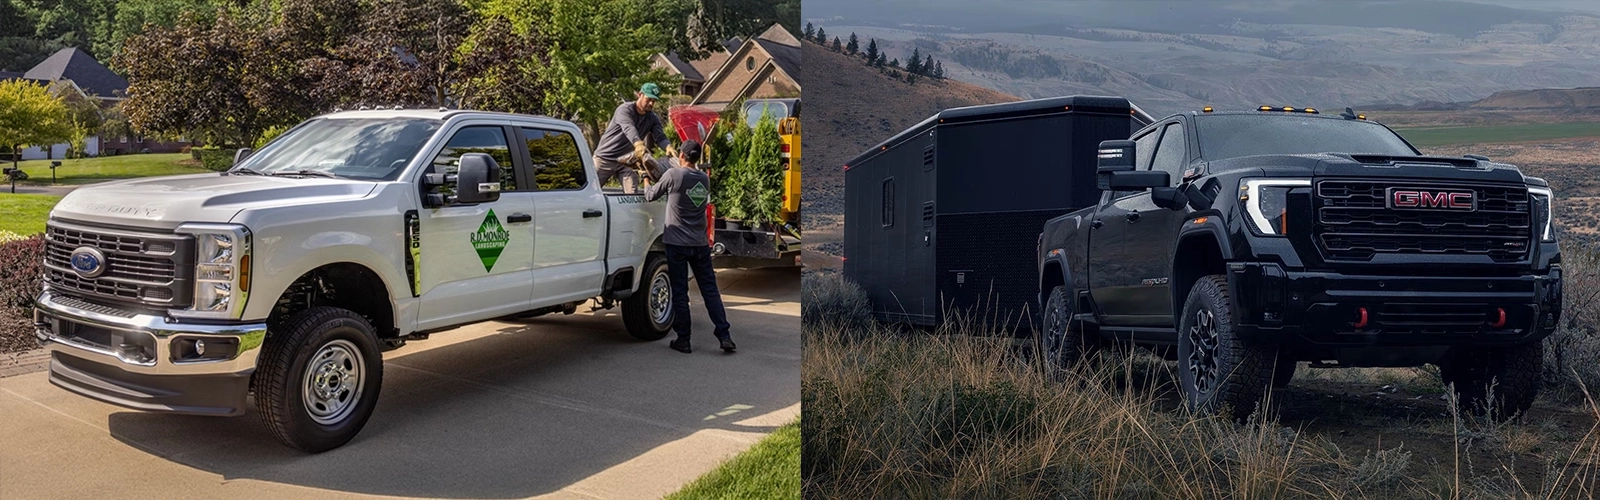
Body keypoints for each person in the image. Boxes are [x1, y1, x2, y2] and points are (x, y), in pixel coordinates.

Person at [643, 140, 734, 354]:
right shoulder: (704, 179)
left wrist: (646, 178)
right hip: (699, 244)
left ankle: (684, 339)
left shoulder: (675, 175)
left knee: (680, 291)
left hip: (676, 244)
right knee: (710, 291)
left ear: (682, 156)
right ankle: (724, 335)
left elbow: (650, 195)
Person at [594, 82, 674, 194]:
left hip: (627, 161)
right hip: (605, 158)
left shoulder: (652, 118)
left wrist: (668, 146)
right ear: (640, 94)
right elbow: (629, 128)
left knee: (632, 195)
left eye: (654, 101)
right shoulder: (625, 110)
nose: (651, 103)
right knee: (590, 191)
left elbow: (660, 136)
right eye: (648, 99)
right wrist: (638, 144)